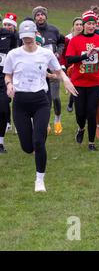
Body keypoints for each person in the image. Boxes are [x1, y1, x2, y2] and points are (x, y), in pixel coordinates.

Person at [3, 20, 78, 192]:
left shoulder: (46, 54)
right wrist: (9, 85)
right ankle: (31, 135)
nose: (27, 40)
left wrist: (66, 80)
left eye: (30, 37)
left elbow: (58, 71)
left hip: (40, 102)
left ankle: (39, 180)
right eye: (24, 38)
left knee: (38, 142)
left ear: (36, 35)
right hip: (20, 102)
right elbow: (8, 75)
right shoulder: (14, 54)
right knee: (27, 147)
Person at [65, 10, 99, 151]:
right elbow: (69, 59)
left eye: (94, 23)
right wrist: (84, 56)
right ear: (84, 25)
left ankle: (91, 143)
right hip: (79, 81)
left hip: (96, 82)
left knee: (91, 111)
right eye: (89, 23)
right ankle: (81, 128)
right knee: (80, 113)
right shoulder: (75, 40)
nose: (91, 26)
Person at [32, 6, 66, 135]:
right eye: (37, 15)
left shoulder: (54, 30)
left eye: (42, 14)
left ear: (46, 16)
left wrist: (58, 52)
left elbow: (62, 42)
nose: (40, 17)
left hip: (53, 70)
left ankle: (57, 118)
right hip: (38, 71)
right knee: (44, 100)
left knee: (55, 97)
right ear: (35, 18)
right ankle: (45, 123)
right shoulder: (32, 31)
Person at [0, 15, 18, 153]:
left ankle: (0, 142)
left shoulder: (9, 35)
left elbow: (14, 53)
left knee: (3, 108)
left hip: (3, 79)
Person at [61, 17, 84, 113]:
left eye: (81, 24)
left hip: (82, 65)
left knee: (80, 86)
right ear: (73, 26)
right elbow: (63, 54)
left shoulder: (86, 37)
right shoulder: (68, 38)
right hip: (70, 66)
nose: (79, 27)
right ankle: (72, 102)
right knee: (74, 84)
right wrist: (63, 66)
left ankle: (72, 102)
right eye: (77, 24)